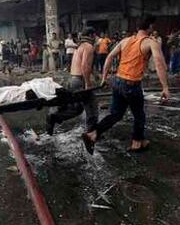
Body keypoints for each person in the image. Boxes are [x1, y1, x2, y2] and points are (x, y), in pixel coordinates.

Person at [86, 16, 170, 153]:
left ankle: (93, 134)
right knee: (139, 116)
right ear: (150, 27)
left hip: (118, 81)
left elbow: (109, 57)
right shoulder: (150, 42)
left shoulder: (125, 41)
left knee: (116, 114)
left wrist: (104, 78)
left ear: (137, 28)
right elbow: (160, 64)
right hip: (131, 84)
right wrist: (165, 87)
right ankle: (137, 143)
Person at [46, 29, 98, 152]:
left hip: (72, 79)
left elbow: (85, 65)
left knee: (77, 109)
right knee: (92, 111)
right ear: (92, 35)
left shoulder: (80, 47)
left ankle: (55, 117)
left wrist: (95, 74)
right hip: (80, 81)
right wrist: (88, 84)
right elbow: (85, 66)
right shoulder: (89, 46)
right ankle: (90, 137)